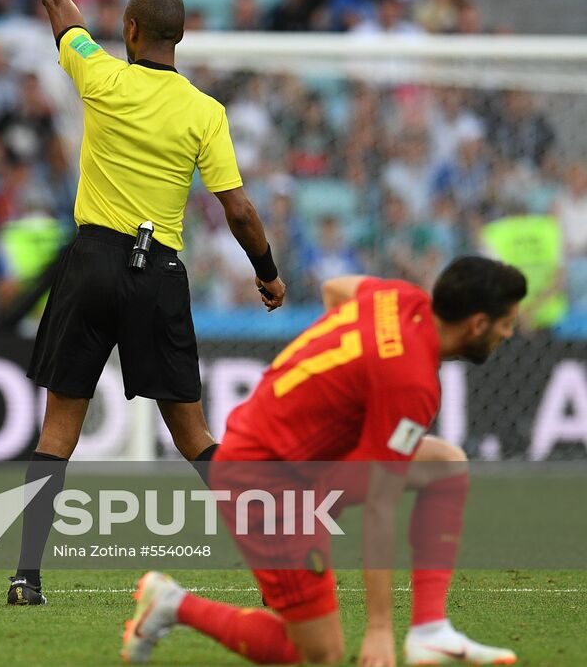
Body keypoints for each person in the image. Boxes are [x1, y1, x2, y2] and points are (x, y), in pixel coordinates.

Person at [1, 0, 285, 606]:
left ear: (128, 31)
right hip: (160, 269)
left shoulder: (101, 75)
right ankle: (269, 561)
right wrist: (268, 270)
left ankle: (27, 574)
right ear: (179, 38)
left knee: (60, 421)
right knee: (192, 433)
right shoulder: (204, 112)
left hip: (93, 259)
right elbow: (240, 209)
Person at [122, 256, 526, 666]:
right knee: (320, 654)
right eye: (506, 322)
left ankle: (429, 630)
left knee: (444, 464)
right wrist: (380, 630)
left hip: (299, 461)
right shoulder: (412, 383)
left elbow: (335, 289)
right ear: (477, 324)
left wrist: (344, 386)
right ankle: (172, 605)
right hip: (263, 478)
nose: (509, 332)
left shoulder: (400, 298)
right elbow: (380, 508)